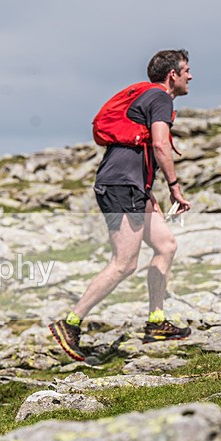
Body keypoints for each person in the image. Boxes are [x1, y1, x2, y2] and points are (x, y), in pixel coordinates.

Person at [50, 49, 193, 361]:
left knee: (166, 245)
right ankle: (70, 323)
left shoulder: (148, 97)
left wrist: (147, 190)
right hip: (121, 186)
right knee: (124, 263)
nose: (190, 77)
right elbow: (159, 143)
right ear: (173, 75)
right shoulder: (161, 98)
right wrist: (174, 187)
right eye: (186, 71)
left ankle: (156, 322)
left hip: (130, 186)